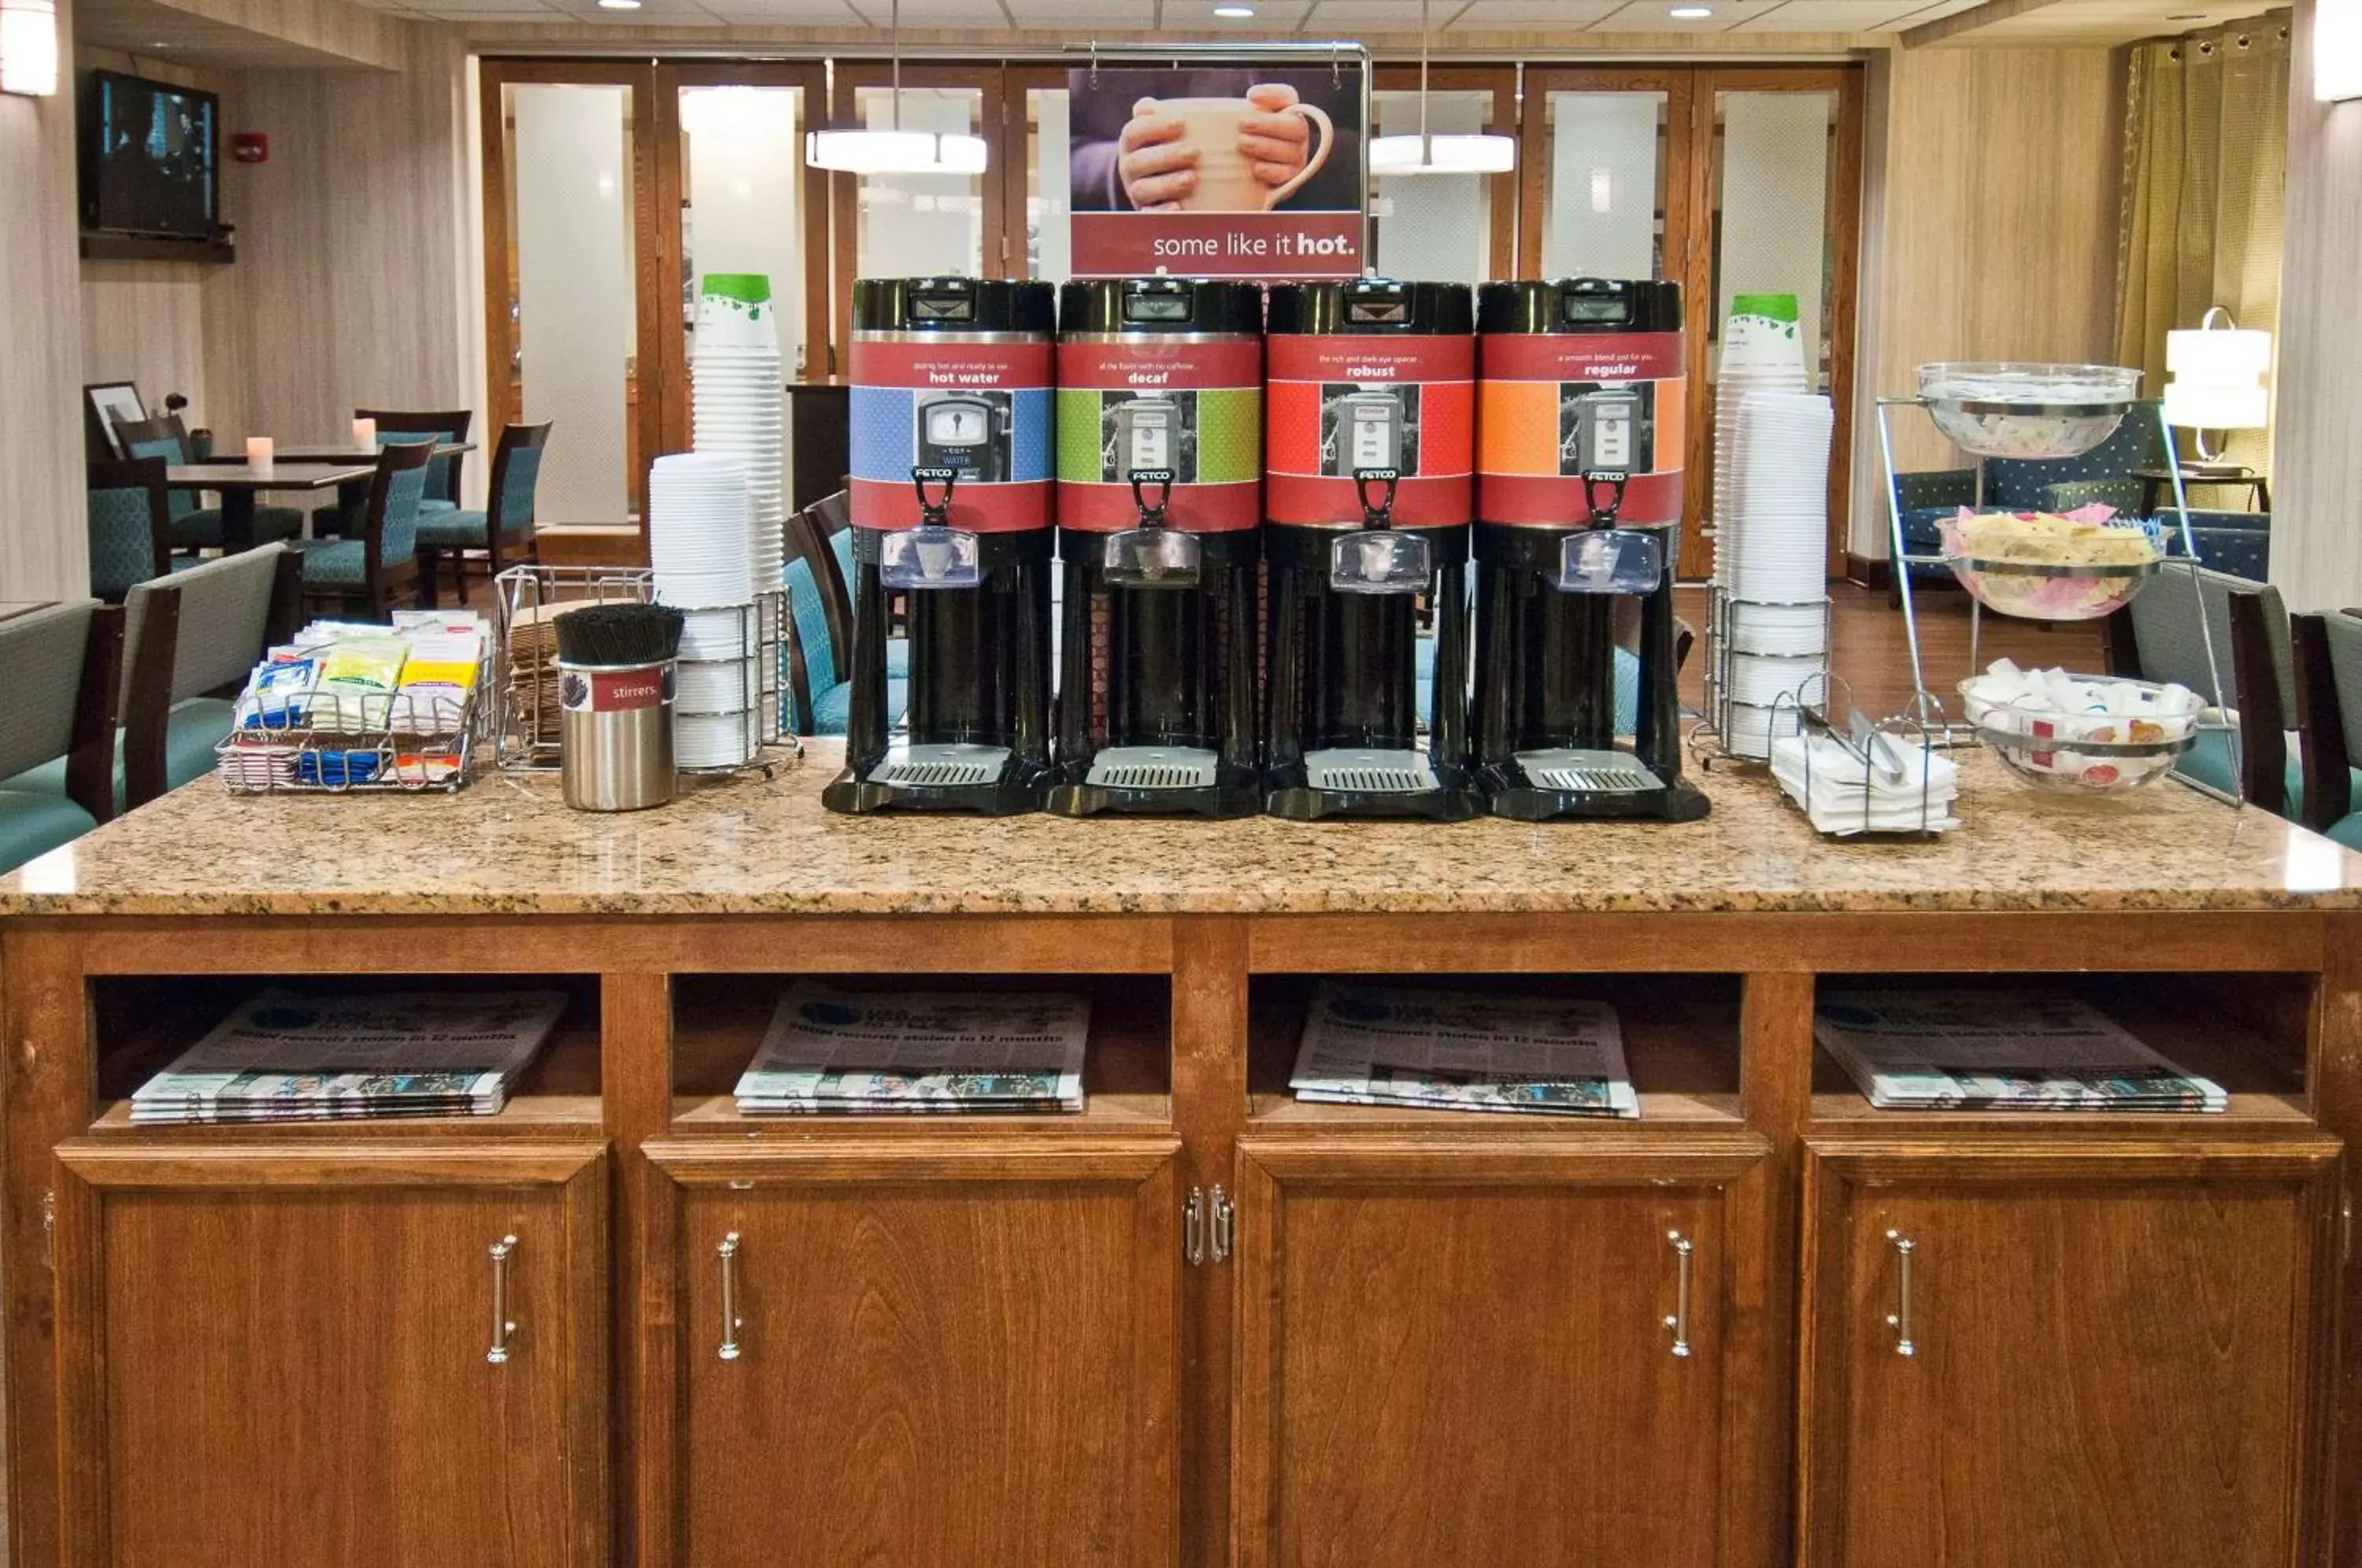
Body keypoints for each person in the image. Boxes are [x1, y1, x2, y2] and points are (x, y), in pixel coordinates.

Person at [1070, 70, 1361, 214]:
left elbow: (1370, 147)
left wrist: (1308, 153)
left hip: (1297, 253)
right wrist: (1120, 168)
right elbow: (1060, 148)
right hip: (1138, 258)